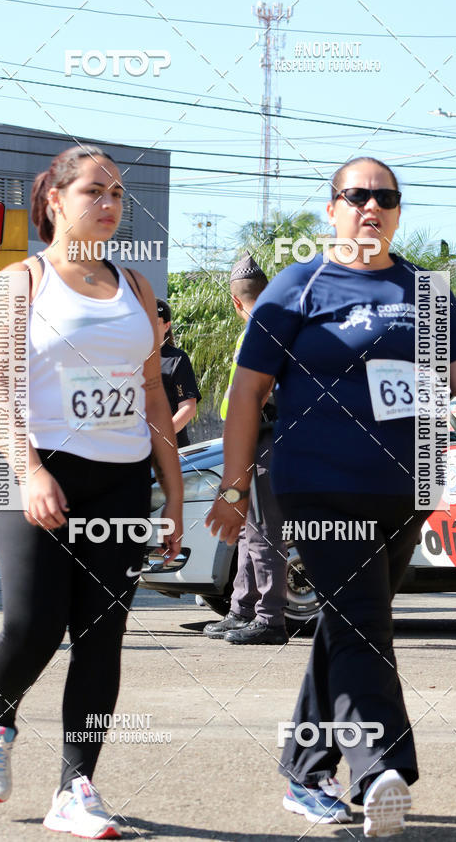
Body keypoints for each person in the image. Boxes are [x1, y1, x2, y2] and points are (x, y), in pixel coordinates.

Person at [206, 156, 456, 836]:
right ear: (333, 208)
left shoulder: (424, 290)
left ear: (398, 210)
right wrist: (234, 488)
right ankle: (383, 767)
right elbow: (247, 393)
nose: (371, 206)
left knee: (351, 621)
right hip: (318, 483)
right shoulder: (296, 287)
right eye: (357, 196)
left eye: (385, 197)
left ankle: (304, 769)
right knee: (364, 623)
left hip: (405, 489)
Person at [0, 145, 183, 839]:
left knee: (100, 636)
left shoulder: (137, 288)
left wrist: (172, 497)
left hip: (119, 479)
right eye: (95, 190)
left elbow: (153, 395)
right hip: (35, 469)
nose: (111, 204)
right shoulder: (20, 283)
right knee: (34, 626)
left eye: (118, 193)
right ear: (55, 199)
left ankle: (77, 788)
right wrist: (30, 470)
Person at [204, 252, 288, 645]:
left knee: (263, 531)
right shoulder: (272, 326)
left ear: (235, 302)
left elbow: (256, 396)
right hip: (258, 441)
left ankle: (269, 619)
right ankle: (242, 609)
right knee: (248, 529)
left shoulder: (262, 330)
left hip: (265, 439)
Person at [156, 298, 201, 448]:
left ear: (166, 326)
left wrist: (159, 437)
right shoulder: (131, 359)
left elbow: (188, 408)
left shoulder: (177, 359)